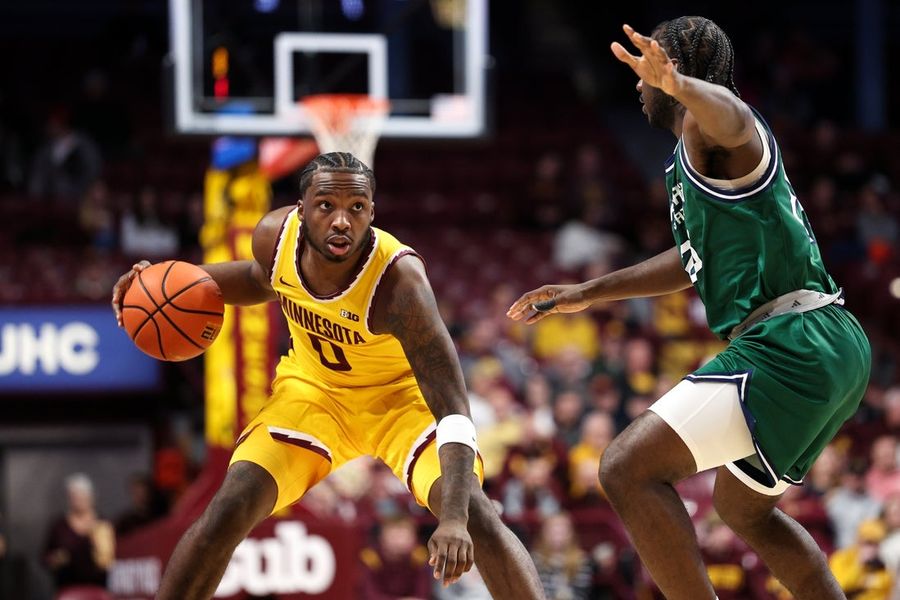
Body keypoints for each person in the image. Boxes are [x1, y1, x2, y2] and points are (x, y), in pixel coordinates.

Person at [508, 17, 871, 599]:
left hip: (793, 341)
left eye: (647, 73)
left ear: (674, 72)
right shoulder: (692, 158)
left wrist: (680, 86)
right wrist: (586, 293)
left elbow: (734, 115)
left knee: (625, 468)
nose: (637, 86)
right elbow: (690, 259)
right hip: (826, 342)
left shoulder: (717, 130)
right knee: (745, 511)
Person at [111, 152, 544, 600]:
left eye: (356, 208)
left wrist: (453, 518)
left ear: (372, 213)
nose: (342, 221)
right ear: (301, 210)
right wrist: (167, 284)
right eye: (326, 206)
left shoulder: (401, 284)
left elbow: (453, 408)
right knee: (229, 507)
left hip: (402, 404)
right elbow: (260, 280)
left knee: (476, 515)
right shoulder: (274, 238)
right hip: (314, 394)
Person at [43, 473, 115, 591]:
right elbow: (45, 557)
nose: (78, 500)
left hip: (97, 588)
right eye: (74, 496)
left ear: (91, 497)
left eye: (82, 496)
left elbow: (112, 559)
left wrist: (103, 554)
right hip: (67, 588)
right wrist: (55, 559)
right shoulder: (59, 526)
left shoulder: (103, 524)